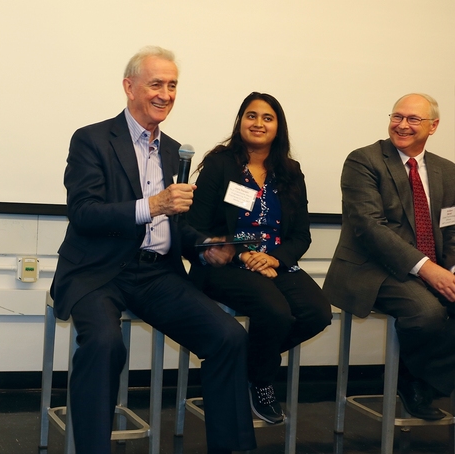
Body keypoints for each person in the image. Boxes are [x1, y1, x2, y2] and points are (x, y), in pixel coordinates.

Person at [50, 46, 257, 454]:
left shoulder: (173, 149)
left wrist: (204, 248)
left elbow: (177, 226)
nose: (166, 94)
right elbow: (84, 214)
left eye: (173, 85)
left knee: (229, 336)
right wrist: (154, 206)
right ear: (129, 88)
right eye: (156, 84)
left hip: (157, 274)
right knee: (106, 344)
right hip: (99, 271)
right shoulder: (92, 139)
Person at [186, 92, 331, 424]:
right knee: (276, 312)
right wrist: (243, 253)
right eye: (251, 115)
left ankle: (245, 366)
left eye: (268, 117)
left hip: (276, 263)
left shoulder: (290, 172)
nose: (258, 123)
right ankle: (262, 382)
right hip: (225, 262)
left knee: (317, 313)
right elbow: (197, 227)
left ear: (278, 127)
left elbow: (301, 236)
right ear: (240, 122)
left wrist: (275, 260)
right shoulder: (220, 165)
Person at [323, 93, 455, 421]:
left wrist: (450, 269)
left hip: (431, 268)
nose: (402, 125)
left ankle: (426, 382)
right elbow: (371, 229)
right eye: (398, 117)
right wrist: (429, 270)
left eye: (413, 119)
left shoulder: (447, 171)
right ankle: (415, 380)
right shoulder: (364, 161)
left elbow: (452, 230)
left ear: (433, 126)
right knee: (427, 313)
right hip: (374, 269)